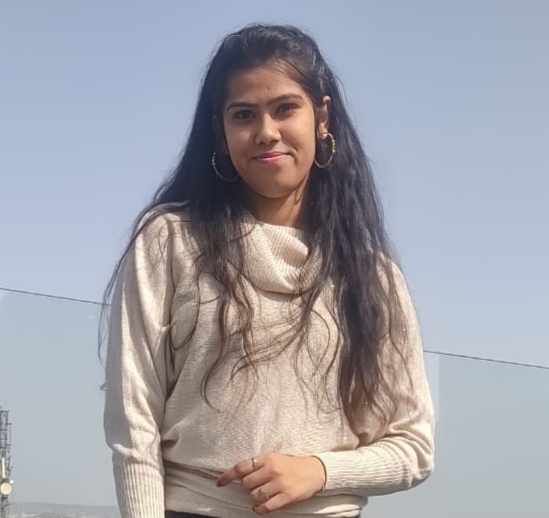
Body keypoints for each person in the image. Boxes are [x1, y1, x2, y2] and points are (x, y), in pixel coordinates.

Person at [103, 23, 435, 518]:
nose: (265, 132)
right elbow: (134, 418)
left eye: (285, 108)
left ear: (322, 117)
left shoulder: (373, 275)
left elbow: (414, 445)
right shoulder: (170, 239)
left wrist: (318, 471)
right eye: (243, 115)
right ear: (221, 131)